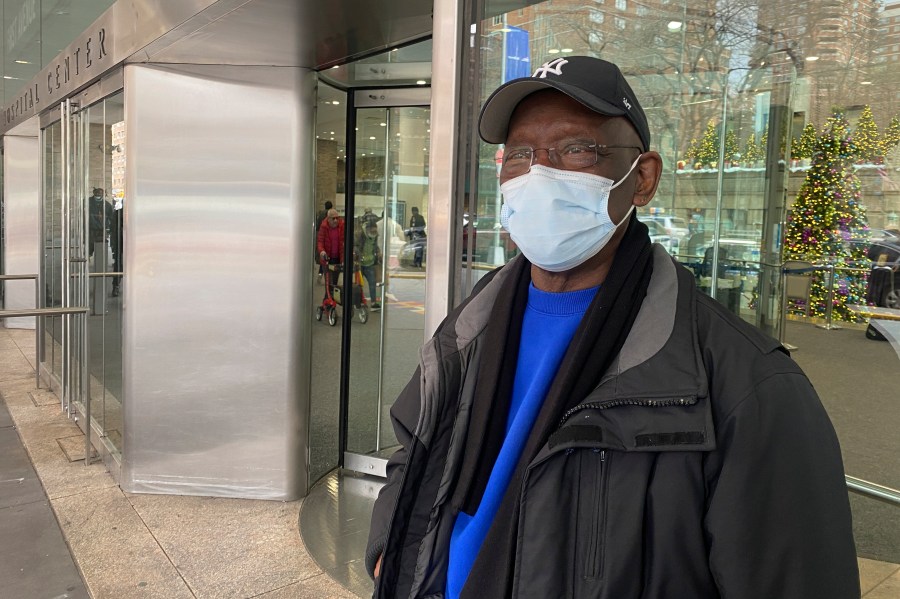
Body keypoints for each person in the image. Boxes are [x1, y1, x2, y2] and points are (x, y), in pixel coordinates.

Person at [366, 57, 858, 598]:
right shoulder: (472, 324)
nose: (539, 174)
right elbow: (416, 446)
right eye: (520, 155)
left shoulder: (745, 384)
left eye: (576, 149)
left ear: (642, 178)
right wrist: (391, 545)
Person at [316, 208, 344, 300]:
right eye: (333, 218)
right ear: (328, 218)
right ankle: (329, 305)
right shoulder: (323, 227)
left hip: (337, 259)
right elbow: (320, 241)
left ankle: (328, 303)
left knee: (334, 284)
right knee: (329, 283)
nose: (335, 220)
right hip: (327, 259)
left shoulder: (342, 225)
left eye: (337, 218)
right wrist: (322, 251)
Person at [356, 221, 382, 311]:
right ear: (367, 230)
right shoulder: (360, 235)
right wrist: (358, 257)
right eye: (372, 231)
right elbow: (356, 247)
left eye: (375, 231)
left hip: (370, 263)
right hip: (360, 264)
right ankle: (358, 302)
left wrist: (378, 252)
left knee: (372, 282)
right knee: (358, 284)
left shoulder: (375, 237)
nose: (374, 233)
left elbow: (375, 247)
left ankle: (374, 303)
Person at [87, 188, 113, 259]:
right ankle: (88, 257)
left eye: (100, 193)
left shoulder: (107, 205)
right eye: (97, 193)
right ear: (93, 193)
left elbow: (111, 218)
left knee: (101, 247)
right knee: (89, 245)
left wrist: (109, 229)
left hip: (102, 228)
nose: (98, 195)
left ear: (103, 194)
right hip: (90, 228)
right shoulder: (87, 202)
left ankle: (99, 260)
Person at [316, 201, 334, 283]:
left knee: (323, 257)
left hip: (321, 238)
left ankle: (320, 274)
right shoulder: (331, 215)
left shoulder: (320, 215)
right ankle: (328, 277)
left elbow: (317, 227)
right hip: (329, 239)